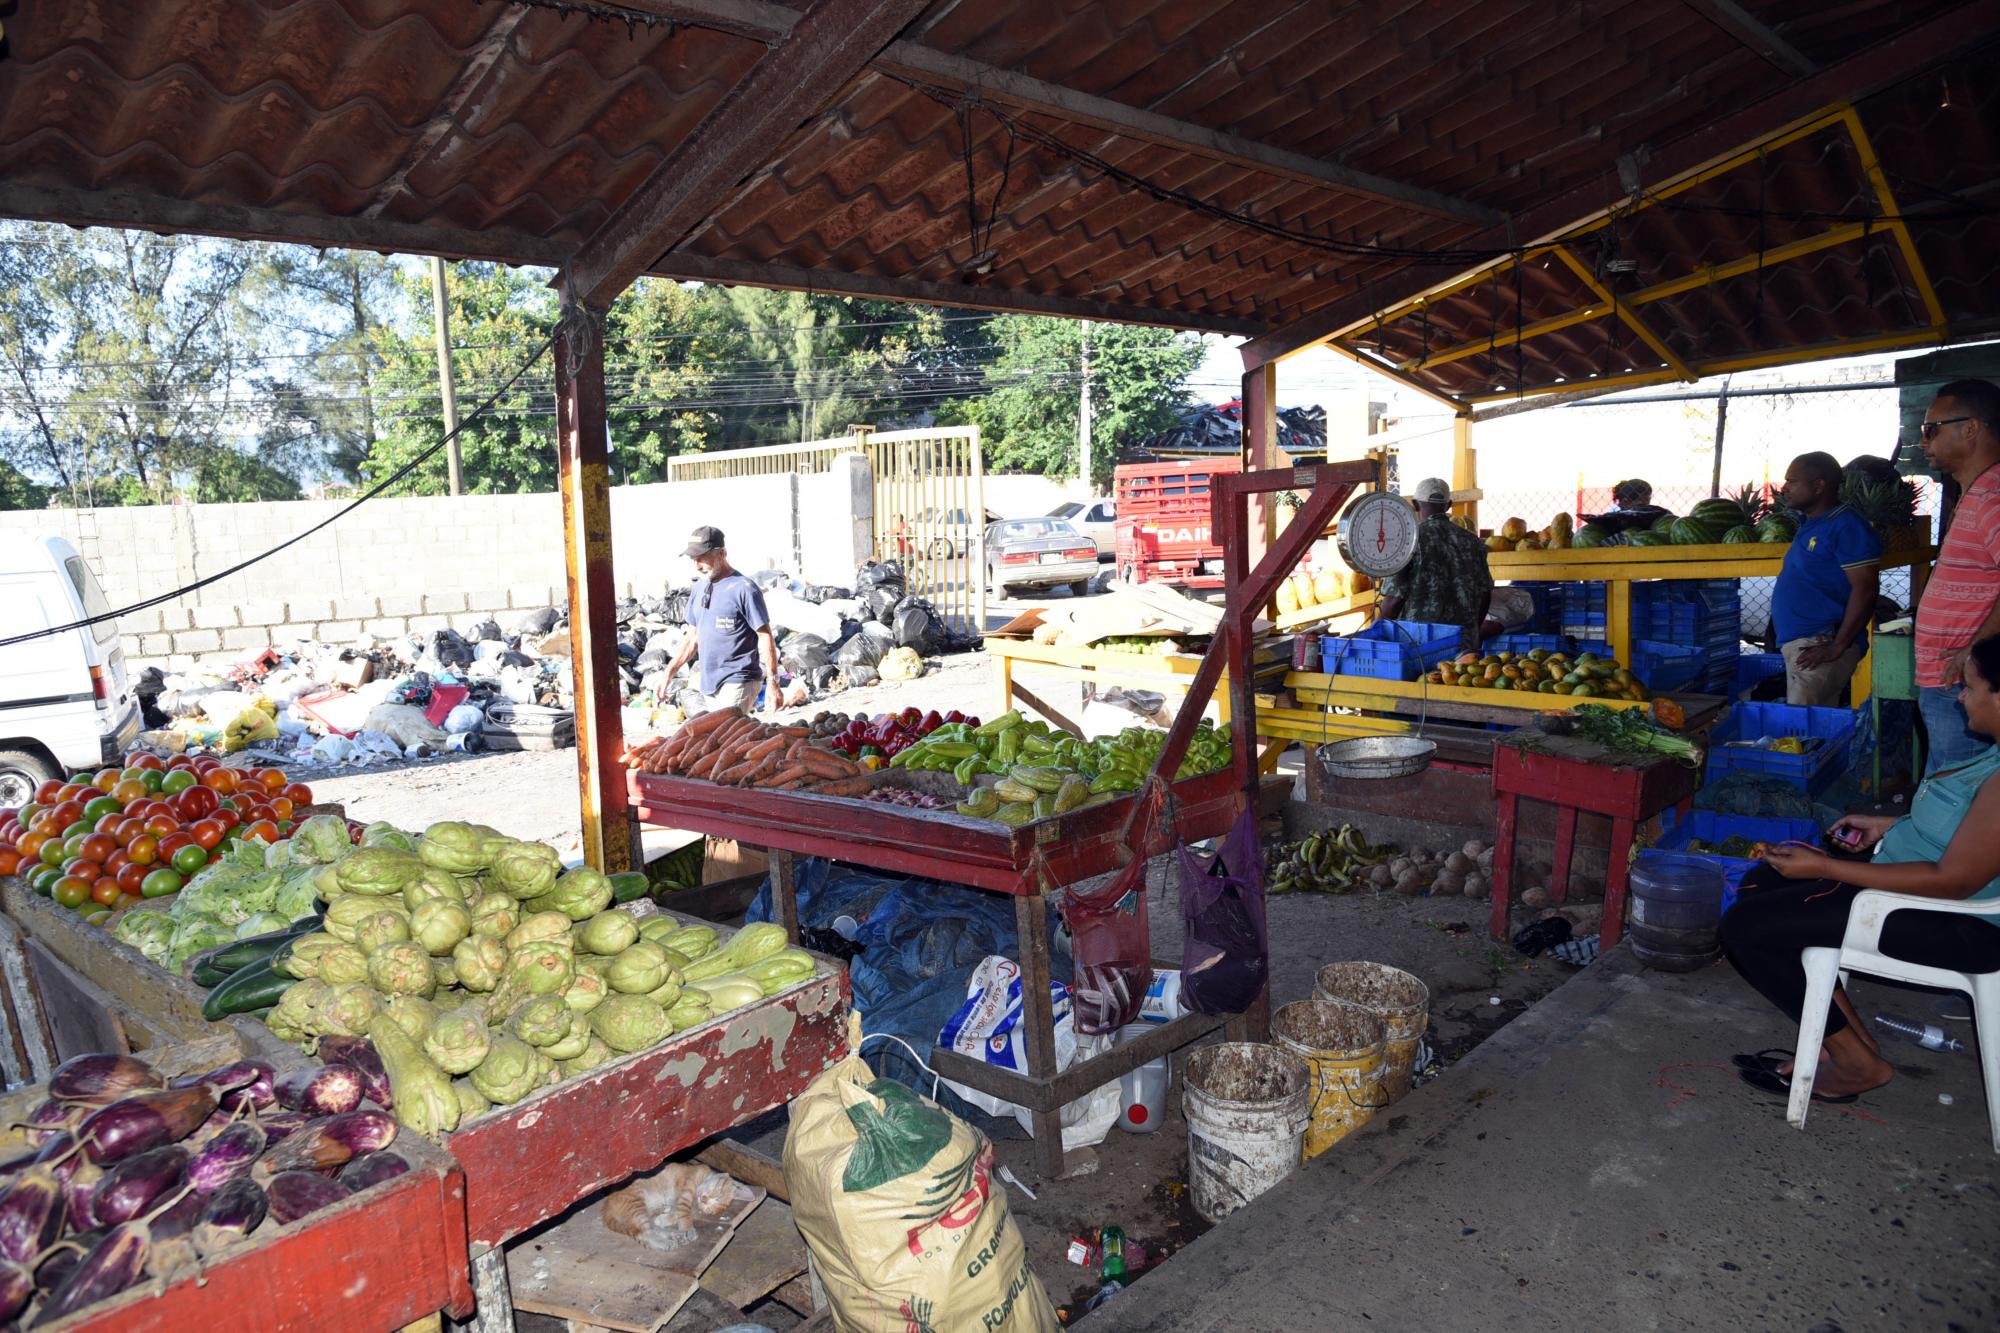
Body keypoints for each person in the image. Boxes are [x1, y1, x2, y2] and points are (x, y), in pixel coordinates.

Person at [1721, 631, 2000, 1104]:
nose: (1959, 695)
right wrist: (1890, 825)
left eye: (1970, 687)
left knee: (1746, 928)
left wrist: (1827, 869)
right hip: (1924, 885)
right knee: (1760, 882)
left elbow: (1954, 881)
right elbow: (1971, 831)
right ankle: (1847, 1042)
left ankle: (1856, 1064)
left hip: (1960, 924)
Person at [1914, 379, 2000, 773]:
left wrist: (1973, 649)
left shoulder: (1993, 496)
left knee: (1952, 799)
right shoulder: (1976, 493)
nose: (1923, 441)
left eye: (1931, 429)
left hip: (1965, 684)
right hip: (1951, 682)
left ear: (1970, 429)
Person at [1772, 450, 1881, 707]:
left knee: (1797, 731)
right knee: (1815, 734)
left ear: (1819, 486)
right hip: (1807, 646)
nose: (1785, 488)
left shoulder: (1846, 525)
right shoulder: (1811, 523)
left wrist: (1837, 647)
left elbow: (1865, 589)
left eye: (1792, 481)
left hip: (1819, 646)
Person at [657, 526, 780, 715]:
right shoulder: (699, 589)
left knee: (724, 732)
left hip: (739, 678)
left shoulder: (744, 588)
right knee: (719, 740)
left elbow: (765, 636)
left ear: (722, 553)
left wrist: (773, 682)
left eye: (701, 558)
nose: (697, 566)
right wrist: (669, 672)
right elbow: (692, 638)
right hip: (709, 682)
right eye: (694, 559)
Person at [1377, 477, 1493, 650]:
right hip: (1462, 643)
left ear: (1415, 505)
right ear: (1449, 505)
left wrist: (1377, 632)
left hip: (1419, 644)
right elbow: (1485, 593)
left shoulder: (1409, 540)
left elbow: (1394, 599)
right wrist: (1472, 630)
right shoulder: (1473, 541)